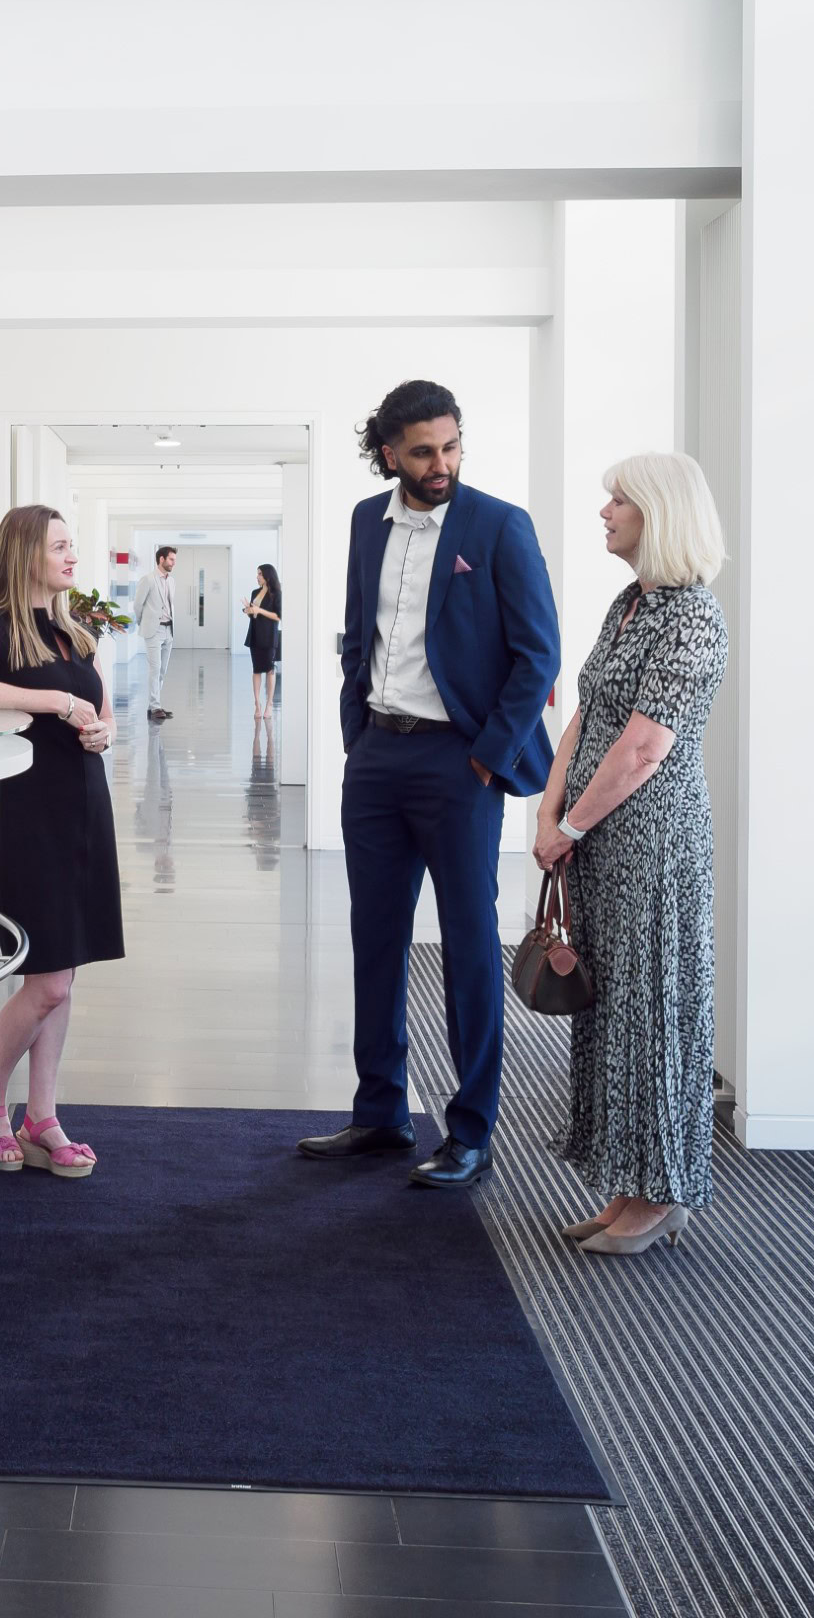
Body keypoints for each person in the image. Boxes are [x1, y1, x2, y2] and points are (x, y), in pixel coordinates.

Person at [299, 380, 559, 1189]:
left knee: (469, 946)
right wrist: (355, 736)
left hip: (459, 763)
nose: (441, 463)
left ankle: (471, 1130)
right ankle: (381, 1112)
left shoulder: (499, 525)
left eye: (451, 446)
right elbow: (358, 635)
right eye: (423, 451)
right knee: (374, 938)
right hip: (378, 757)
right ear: (389, 454)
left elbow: (538, 655)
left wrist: (486, 755)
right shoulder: (362, 523)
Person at [534, 453, 729, 1255]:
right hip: (598, 838)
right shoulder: (630, 604)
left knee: (652, 1013)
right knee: (613, 1013)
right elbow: (589, 714)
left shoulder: (693, 617)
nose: (605, 511)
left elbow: (645, 747)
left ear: (660, 513)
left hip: (651, 847)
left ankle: (661, 1195)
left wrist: (571, 827)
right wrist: (548, 812)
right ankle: (626, 1189)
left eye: (619, 499)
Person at [0, 504, 126, 1178]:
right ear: (26, 553)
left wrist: (104, 731)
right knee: (45, 981)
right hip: (26, 811)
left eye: (72, 546)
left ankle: (42, 1117)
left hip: (84, 806)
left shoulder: (76, 633)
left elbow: (105, 716)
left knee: (65, 973)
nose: (72, 558)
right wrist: (54, 703)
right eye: (60, 547)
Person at [137, 546, 179, 721]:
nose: (173, 563)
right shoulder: (148, 579)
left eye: (174, 560)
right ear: (161, 559)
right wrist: (144, 624)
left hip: (169, 629)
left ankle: (154, 705)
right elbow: (138, 605)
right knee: (154, 669)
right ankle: (155, 708)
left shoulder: (172, 581)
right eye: (171, 560)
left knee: (162, 670)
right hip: (154, 630)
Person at [241, 561, 283, 728]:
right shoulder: (255, 592)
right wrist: (249, 611)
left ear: (267, 575)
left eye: (259, 574)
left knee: (270, 670)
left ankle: (269, 704)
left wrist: (259, 610)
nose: (257, 577)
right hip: (255, 635)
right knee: (257, 669)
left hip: (269, 636)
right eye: (257, 574)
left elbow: (278, 616)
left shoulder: (277, 593)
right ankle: (257, 704)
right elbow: (254, 615)